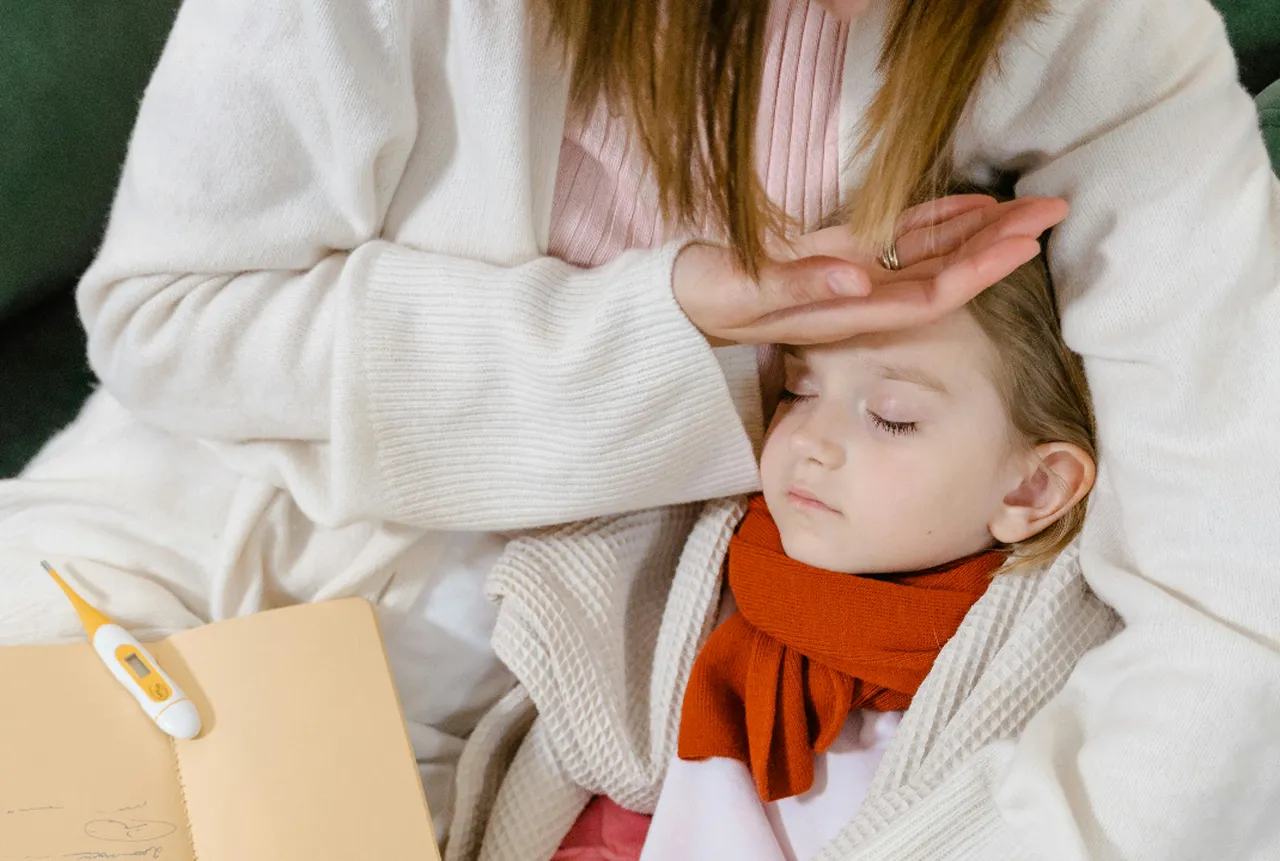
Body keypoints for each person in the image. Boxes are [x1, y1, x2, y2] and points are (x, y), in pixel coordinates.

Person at [0, 0, 1275, 856]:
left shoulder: (1092, 31)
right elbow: (169, 322)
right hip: (195, 553)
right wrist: (682, 323)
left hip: (569, 661)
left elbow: (1231, 586)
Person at [548, 250, 1100, 861]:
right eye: (798, 390)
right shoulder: (717, 591)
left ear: (1033, 487)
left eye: (891, 419)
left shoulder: (1047, 687)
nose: (808, 439)